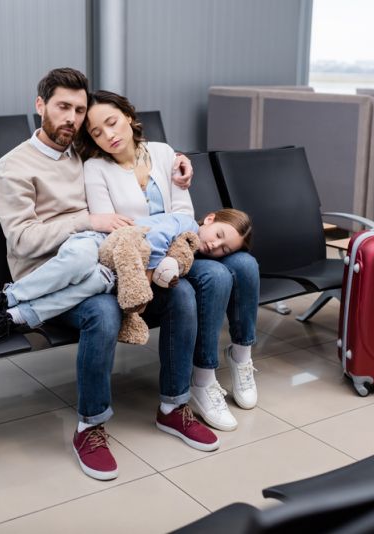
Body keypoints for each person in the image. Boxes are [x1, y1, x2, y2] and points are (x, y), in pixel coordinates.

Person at [0, 68, 218, 482]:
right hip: (53, 281)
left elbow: (136, 153)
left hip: (107, 266)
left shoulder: (83, 153)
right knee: (104, 315)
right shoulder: (13, 168)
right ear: (40, 105)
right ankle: (90, 427)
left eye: (79, 111)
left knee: (182, 294)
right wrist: (87, 220)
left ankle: (173, 406)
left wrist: (180, 161)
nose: (72, 119)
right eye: (63, 107)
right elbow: (21, 241)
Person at [78, 90, 261, 433]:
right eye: (96, 132)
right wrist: (164, 237)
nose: (108, 135)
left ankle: (239, 360)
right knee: (215, 279)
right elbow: (117, 230)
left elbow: (184, 212)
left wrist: (171, 238)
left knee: (245, 265)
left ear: (129, 116)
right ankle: (202, 381)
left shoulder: (163, 153)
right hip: (143, 259)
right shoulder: (95, 168)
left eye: (112, 122)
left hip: (181, 247)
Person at [0, 208, 252, 340]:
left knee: (94, 283)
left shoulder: (189, 257)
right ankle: (9, 296)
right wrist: (149, 274)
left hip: (115, 273)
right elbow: (154, 239)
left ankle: (15, 317)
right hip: (101, 241)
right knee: (79, 262)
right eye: (218, 235)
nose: (214, 245)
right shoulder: (184, 221)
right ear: (211, 218)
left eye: (222, 249)